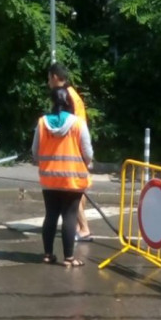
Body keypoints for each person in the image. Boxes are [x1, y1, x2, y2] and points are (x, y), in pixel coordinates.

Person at [32, 87, 94, 267]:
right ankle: (69, 258)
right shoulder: (78, 124)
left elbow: (35, 152)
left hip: (49, 179)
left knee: (51, 214)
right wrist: (87, 163)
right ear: (69, 103)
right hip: (72, 180)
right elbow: (88, 153)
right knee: (69, 216)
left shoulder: (42, 123)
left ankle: (47, 254)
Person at [47, 62, 93, 242]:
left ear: (56, 77)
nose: (48, 82)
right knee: (77, 192)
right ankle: (76, 227)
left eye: (49, 78)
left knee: (71, 192)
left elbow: (69, 125)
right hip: (79, 150)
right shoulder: (72, 94)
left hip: (74, 153)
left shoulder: (67, 97)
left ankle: (84, 228)